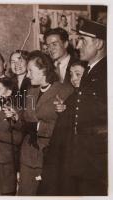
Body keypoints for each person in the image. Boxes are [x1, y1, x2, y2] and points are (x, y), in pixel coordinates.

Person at [39, 18, 107, 196]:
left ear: (99, 43)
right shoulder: (91, 70)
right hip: (79, 155)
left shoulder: (105, 72)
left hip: (95, 157)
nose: (78, 46)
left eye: (83, 40)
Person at [17, 50, 73, 195]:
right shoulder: (30, 91)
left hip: (50, 154)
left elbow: (68, 126)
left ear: (44, 70)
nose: (27, 75)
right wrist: (15, 116)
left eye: (30, 71)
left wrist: (39, 127)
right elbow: (24, 118)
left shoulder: (65, 91)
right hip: (28, 155)